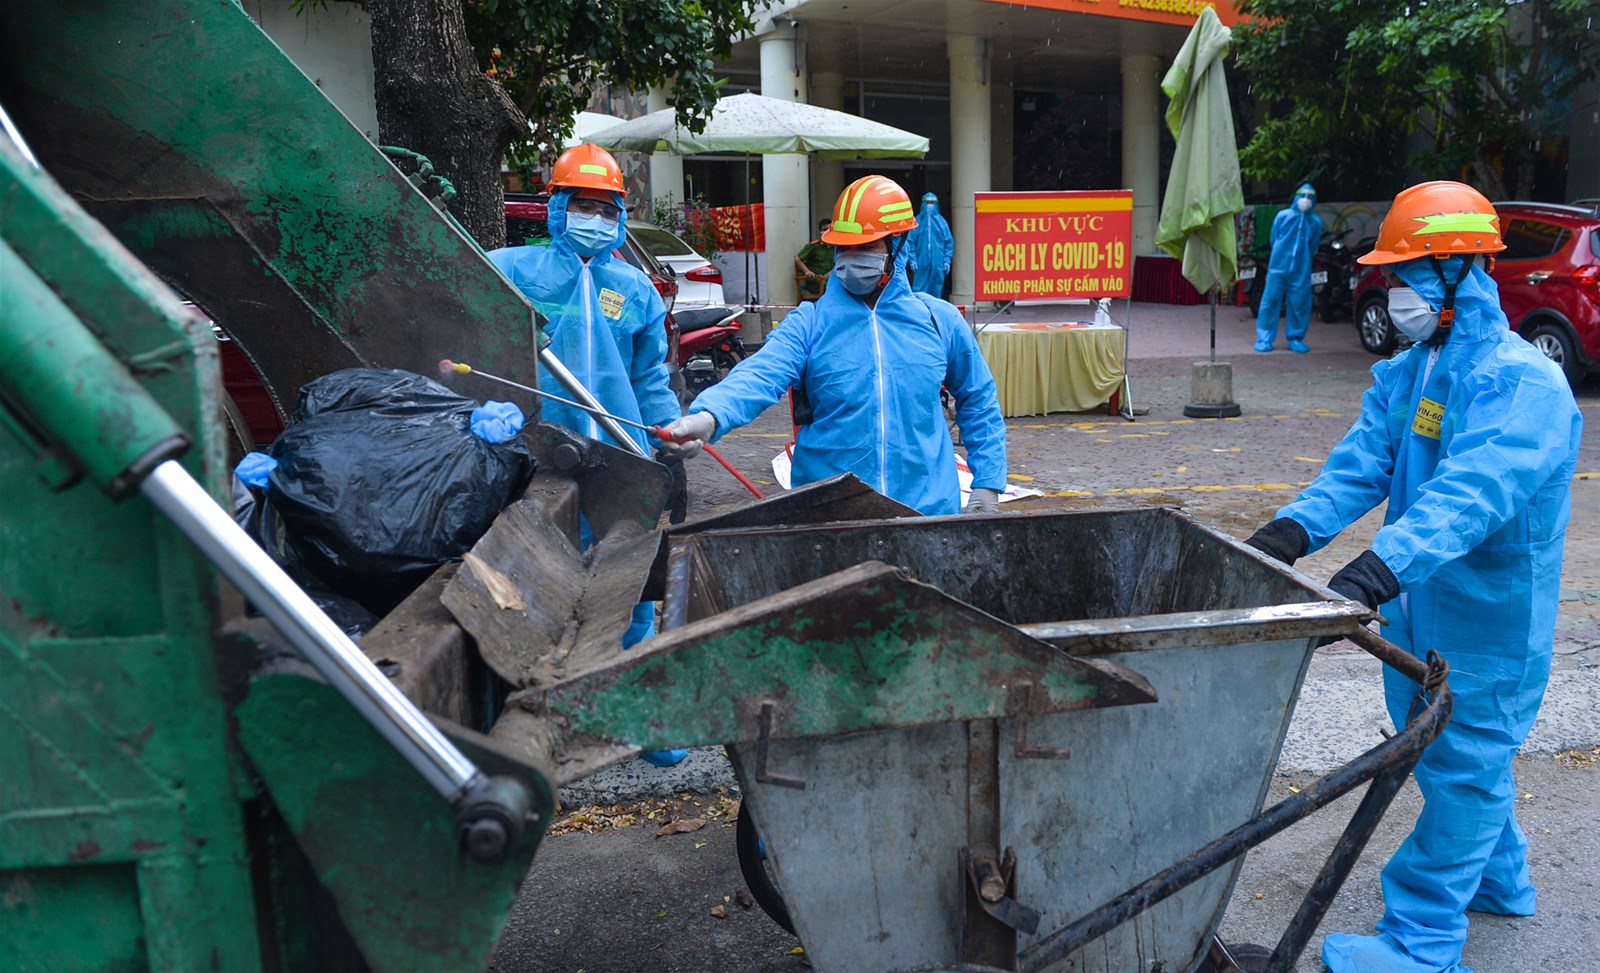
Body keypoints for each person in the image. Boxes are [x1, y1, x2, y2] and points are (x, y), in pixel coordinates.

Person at [1243, 181, 1581, 973]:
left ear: (1464, 269)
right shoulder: (1413, 372)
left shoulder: (1523, 385)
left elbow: (1470, 497)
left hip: (1489, 625)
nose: (1394, 293)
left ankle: (1421, 941)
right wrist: (1285, 535)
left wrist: (1373, 571)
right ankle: (1503, 880)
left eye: (1409, 275)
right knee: (1450, 757)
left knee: (1464, 764)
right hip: (1420, 614)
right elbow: (1359, 468)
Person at [487, 142, 686, 766]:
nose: (595, 219)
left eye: (607, 208)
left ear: (620, 217)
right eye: (584, 205)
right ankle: (529, 718)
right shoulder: (513, 271)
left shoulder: (635, 289)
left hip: (618, 452)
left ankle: (633, 712)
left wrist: (666, 431)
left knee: (627, 577)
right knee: (529, 577)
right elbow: (465, 314)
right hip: (539, 452)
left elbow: (651, 374)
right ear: (558, 208)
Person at [660, 175, 1007, 516]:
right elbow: (760, 373)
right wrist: (710, 416)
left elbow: (978, 400)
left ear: (898, 244)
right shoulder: (810, 322)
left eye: (867, 247)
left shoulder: (939, 320)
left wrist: (987, 483)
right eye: (845, 248)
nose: (852, 258)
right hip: (832, 520)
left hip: (926, 516)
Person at [1254, 182, 1322, 353]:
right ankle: (1264, 338)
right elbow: (1274, 238)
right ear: (1296, 198)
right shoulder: (1282, 216)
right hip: (1278, 267)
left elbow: (1313, 246)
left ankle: (1296, 338)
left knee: (1299, 304)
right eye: (1302, 196)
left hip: (1301, 269)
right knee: (1269, 302)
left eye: (1309, 197)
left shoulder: (1315, 222)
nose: (1305, 200)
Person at [905, 191, 954, 300]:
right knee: (919, 287)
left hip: (938, 261)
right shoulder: (917, 222)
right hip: (921, 261)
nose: (930, 206)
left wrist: (947, 260)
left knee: (936, 287)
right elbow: (910, 242)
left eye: (932, 202)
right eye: (927, 202)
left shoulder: (942, 222)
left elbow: (948, 242)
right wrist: (912, 259)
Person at [793, 218, 834, 301]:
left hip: (832, 278)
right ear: (820, 231)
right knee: (831, 287)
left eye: (830, 229)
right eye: (825, 229)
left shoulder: (837, 247)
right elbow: (798, 259)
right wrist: (807, 272)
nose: (827, 231)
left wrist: (831, 273)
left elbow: (840, 263)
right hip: (816, 281)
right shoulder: (814, 246)